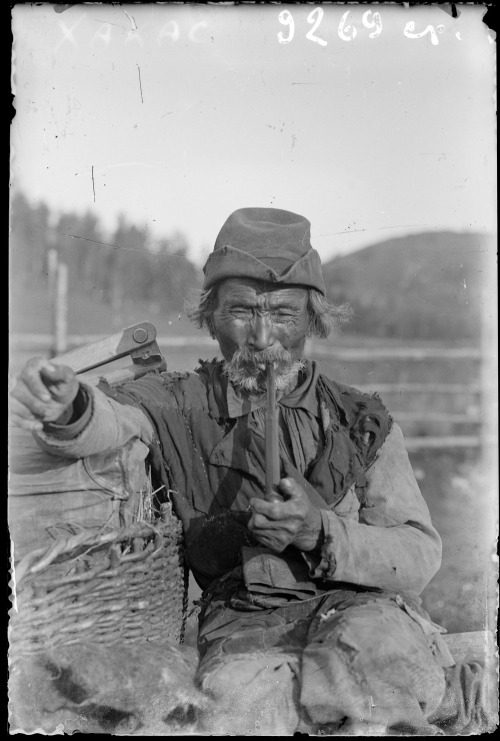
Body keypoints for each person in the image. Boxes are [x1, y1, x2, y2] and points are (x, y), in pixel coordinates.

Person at [9, 208, 493, 735]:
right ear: (211, 316)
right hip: (243, 623)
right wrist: (67, 408)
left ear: (314, 320)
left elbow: (418, 554)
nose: (262, 338)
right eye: (242, 310)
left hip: (363, 608)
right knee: (243, 706)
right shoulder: (176, 404)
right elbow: (108, 421)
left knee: (380, 660)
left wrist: (321, 533)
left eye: (284, 316)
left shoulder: (359, 422)